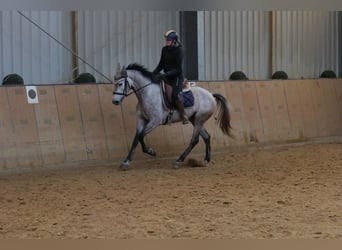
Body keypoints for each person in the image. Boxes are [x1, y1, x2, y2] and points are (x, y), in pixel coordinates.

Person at [153, 30, 189, 124]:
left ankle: (183, 115)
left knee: (174, 95)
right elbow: (161, 64)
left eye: (169, 40)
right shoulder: (164, 49)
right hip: (166, 76)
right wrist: (153, 73)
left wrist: (165, 74)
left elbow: (178, 69)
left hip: (176, 77)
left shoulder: (179, 51)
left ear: (174, 41)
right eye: (166, 40)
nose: (167, 41)